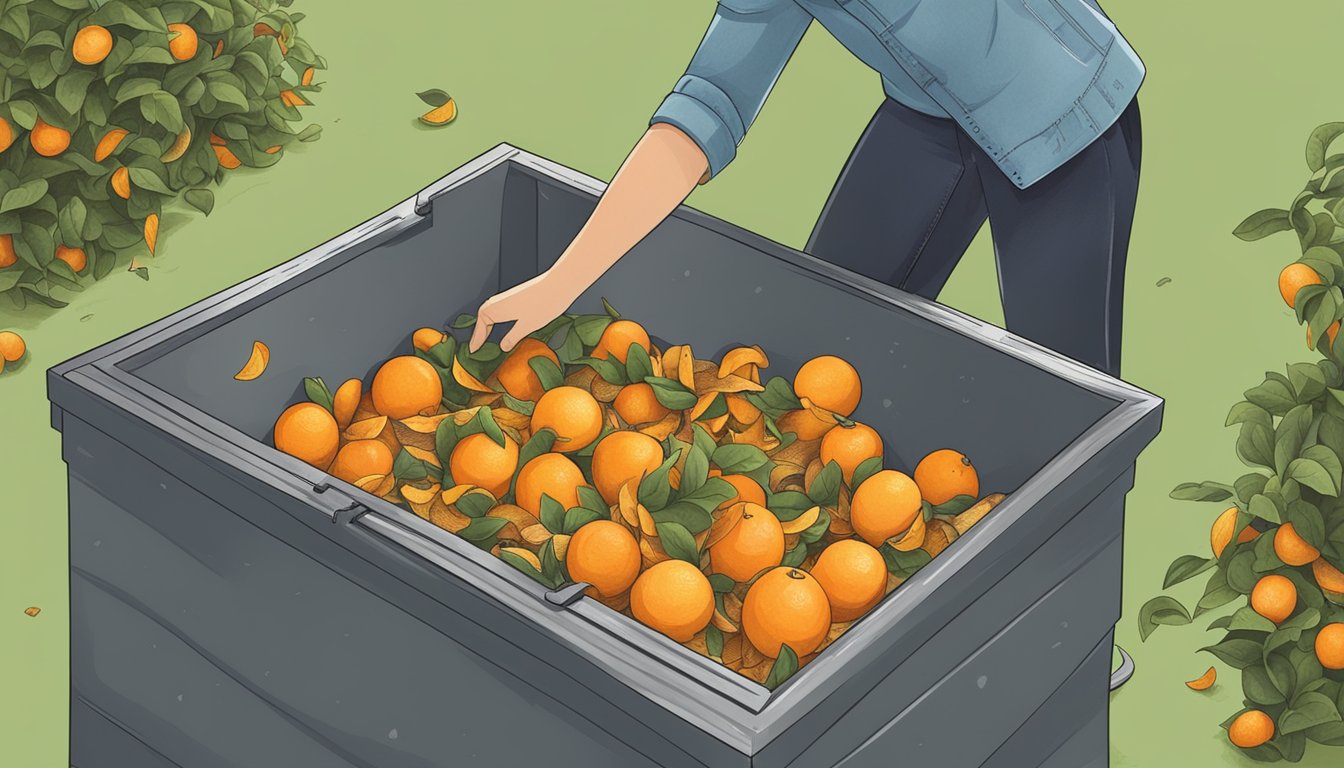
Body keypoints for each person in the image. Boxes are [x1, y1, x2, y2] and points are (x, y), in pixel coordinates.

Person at [469, 0, 1143, 381]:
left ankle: (1083, 628)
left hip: (1066, 112)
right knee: (813, 353)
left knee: (1071, 405)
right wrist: (560, 283)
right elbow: (708, 108)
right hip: (930, 120)